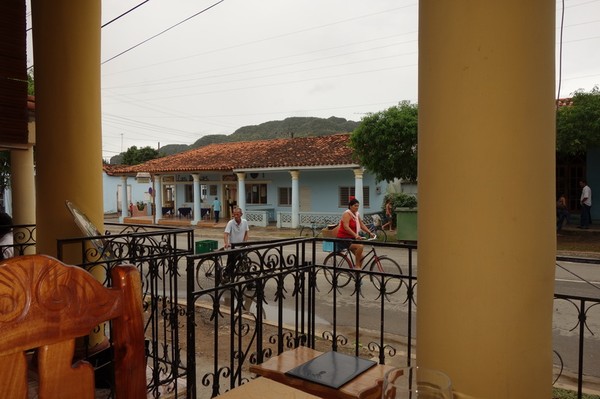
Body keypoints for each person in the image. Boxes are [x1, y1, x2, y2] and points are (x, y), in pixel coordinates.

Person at [336, 198, 374, 269]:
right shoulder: (347, 214)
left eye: (358, 206)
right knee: (360, 246)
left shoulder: (356, 214)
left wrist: (370, 232)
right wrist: (356, 235)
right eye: (355, 206)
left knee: (361, 257)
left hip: (351, 238)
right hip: (343, 238)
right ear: (350, 206)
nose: (357, 207)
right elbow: (346, 227)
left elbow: (361, 224)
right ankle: (357, 267)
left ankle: (356, 274)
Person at [223, 208, 250, 276]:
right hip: (233, 248)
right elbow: (226, 234)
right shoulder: (231, 223)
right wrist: (226, 243)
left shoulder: (244, 222)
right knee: (230, 266)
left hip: (242, 247)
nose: (236, 216)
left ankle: (248, 281)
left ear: (241, 214)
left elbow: (246, 233)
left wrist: (245, 242)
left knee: (245, 265)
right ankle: (226, 278)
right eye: (234, 214)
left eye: (237, 214)